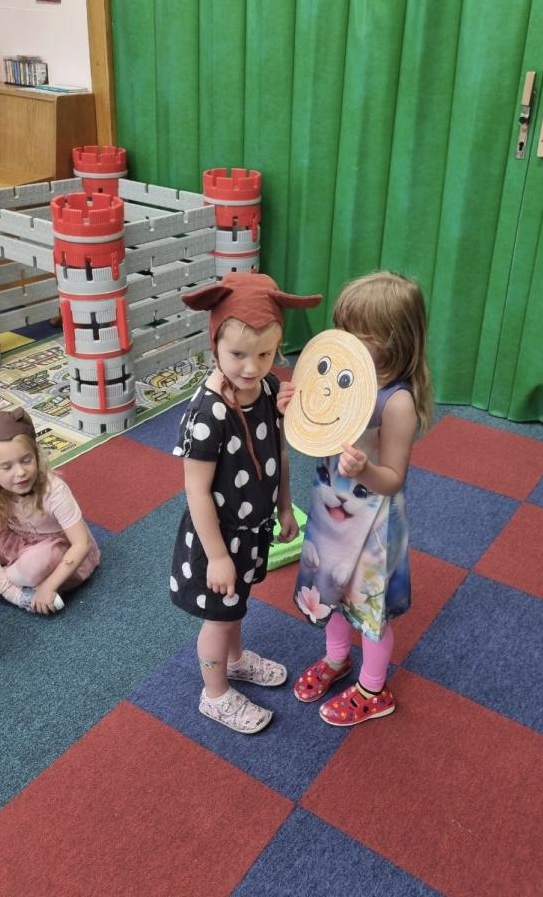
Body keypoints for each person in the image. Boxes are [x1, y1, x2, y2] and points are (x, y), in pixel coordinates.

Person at [278, 270, 433, 726]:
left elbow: (393, 479)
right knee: (330, 591)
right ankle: (336, 657)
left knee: (370, 610)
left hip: (374, 523)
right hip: (331, 508)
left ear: (390, 341)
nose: (343, 341)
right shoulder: (344, 378)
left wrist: (365, 468)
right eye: (341, 328)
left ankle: (373, 688)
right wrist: (294, 409)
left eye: (356, 334)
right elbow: (317, 433)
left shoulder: (396, 402)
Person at [170, 271, 322, 733]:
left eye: (265, 354)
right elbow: (196, 490)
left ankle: (234, 661)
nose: (252, 367)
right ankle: (214, 694)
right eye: (238, 354)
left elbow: (279, 452)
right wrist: (217, 556)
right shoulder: (208, 412)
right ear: (214, 344)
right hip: (217, 539)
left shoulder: (269, 389)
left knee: (237, 605)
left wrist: (283, 507)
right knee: (218, 618)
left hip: (252, 530)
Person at [0, 407, 99, 614]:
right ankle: (15, 593)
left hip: (54, 551)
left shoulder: (54, 491)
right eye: (7, 467)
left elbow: (81, 544)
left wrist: (49, 587)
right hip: (15, 542)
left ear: (36, 456)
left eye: (26, 460)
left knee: (33, 565)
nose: (20, 472)